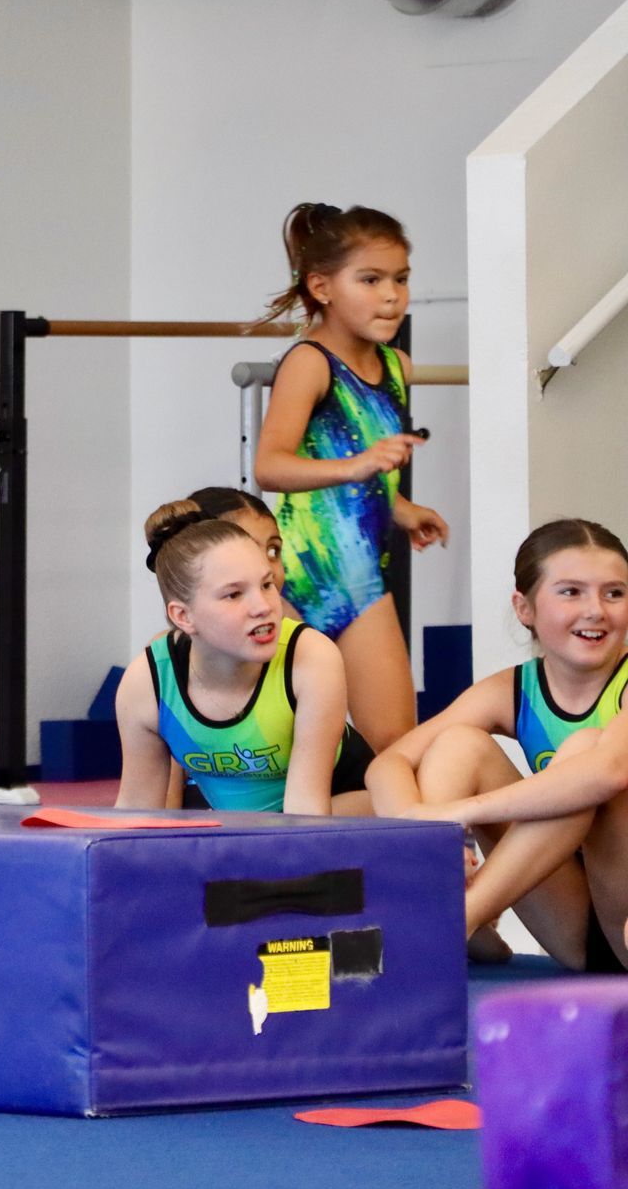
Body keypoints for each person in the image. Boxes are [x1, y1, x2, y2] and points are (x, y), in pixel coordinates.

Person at [368, 519, 628, 971]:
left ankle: (455, 919)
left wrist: (461, 813)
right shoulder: (511, 690)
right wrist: (426, 833)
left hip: (624, 912)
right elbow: (389, 763)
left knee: (585, 751)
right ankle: (441, 902)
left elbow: (609, 771)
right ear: (524, 608)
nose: (596, 610)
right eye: (571, 592)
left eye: (614, 593)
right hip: (581, 928)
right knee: (457, 745)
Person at [252, 203, 448, 752]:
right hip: (296, 576)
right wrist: (358, 466)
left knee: (395, 740)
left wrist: (403, 510)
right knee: (284, 738)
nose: (392, 295)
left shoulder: (396, 368)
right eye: (370, 279)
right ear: (321, 286)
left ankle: (402, 838)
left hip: (359, 582)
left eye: (401, 279)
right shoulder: (310, 362)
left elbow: (357, 482)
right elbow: (270, 467)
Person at [113, 500, 371, 815]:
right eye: (234, 594)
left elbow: (308, 813)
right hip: (243, 827)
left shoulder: (310, 658)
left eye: (266, 585)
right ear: (183, 616)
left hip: (342, 806)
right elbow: (138, 813)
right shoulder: (148, 682)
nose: (263, 606)